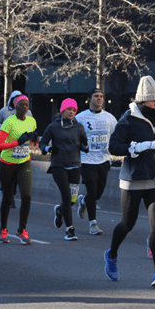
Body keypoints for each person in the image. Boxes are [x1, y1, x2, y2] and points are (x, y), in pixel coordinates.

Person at [104, 75, 155, 288]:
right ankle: (112, 254)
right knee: (128, 224)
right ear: (141, 102)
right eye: (152, 101)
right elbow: (114, 146)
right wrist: (135, 148)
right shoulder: (128, 119)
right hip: (133, 179)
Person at [40, 98, 89, 241]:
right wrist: (48, 148)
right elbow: (42, 143)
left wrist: (85, 147)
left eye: (74, 110)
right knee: (67, 197)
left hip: (75, 166)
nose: (72, 112)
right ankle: (70, 230)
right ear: (62, 110)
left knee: (72, 199)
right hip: (58, 166)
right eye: (69, 109)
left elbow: (84, 145)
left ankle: (60, 210)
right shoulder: (53, 127)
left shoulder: (79, 127)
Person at [0, 94, 38, 245]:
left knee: (26, 195)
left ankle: (21, 230)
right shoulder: (9, 122)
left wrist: (34, 139)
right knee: (8, 197)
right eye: (21, 105)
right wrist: (17, 141)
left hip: (24, 162)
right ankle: (3, 229)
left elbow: (31, 142)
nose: (24, 107)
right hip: (6, 163)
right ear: (15, 106)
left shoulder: (32, 121)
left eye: (27, 105)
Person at [75, 88, 117, 236]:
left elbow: (115, 136)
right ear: (89, 99)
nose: (99, 99)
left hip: (103, 159)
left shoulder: (110, 118)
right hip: (86, 160)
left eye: (101, 96)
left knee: (98, 192)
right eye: (96, 96)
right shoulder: (80, 118)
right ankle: (93, 223)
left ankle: (84, 201)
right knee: (92, 190)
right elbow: (74, 137)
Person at [0, 90, 33, 207]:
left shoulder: (28, 112)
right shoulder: (4, 111)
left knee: (18, 174)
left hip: (22, 147)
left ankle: (11, 194)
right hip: (7, 145)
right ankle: (5, 191)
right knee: (8, 173)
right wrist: (6, 128)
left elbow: (31, 126)